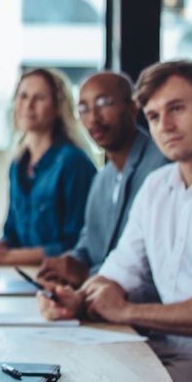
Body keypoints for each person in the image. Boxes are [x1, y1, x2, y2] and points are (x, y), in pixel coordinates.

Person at [38, 60, 192, 382]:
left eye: (176, 109)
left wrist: (127, 312)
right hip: (150, 345)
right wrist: (78, 299)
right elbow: (119, 270)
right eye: (154, 116)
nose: (165, 126)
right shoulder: (157, 186)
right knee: (54, 368)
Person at [36, 71, 168, 288]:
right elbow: (86, 247)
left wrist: (86, 274)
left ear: (134, 106)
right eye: (84, 109)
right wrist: (68, 264)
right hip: (96, 298)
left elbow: (149, 263)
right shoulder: (102, 179)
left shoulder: (161, 167)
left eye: (104, 103)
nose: (93, 118)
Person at [0, 68, 96, 265]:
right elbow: (11, 237)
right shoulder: (18, 165)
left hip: (58, 281)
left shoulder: (74, 162)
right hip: (21, 275)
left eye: (39, 98)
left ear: (58, 107)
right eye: (23, 96)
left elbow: (76, 246)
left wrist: (5, 257)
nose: (28, 105)